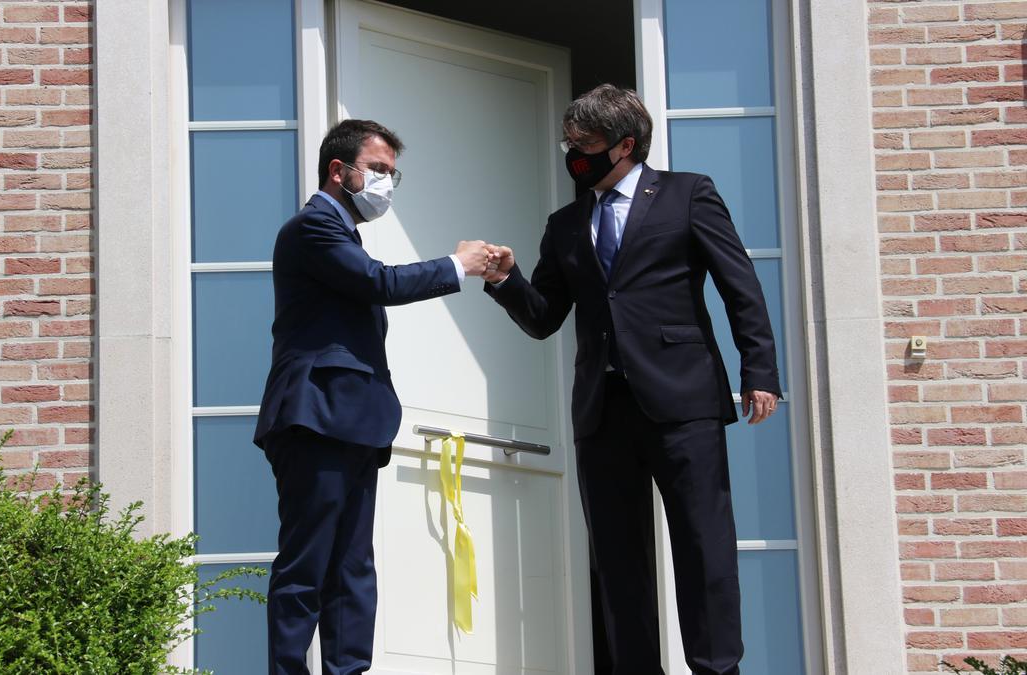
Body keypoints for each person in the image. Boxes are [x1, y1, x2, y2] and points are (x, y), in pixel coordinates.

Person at [480, 84, 781, 675]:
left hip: (684, 402)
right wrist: (505, 281)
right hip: (602, 411)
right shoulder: (564, 223)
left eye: (585, 143)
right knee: (618, 561)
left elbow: (738, 285)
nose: (574, 154)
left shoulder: (688, 194)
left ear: (625, 145)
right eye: (569, 143)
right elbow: (544, 318)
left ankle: (718, 669)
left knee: (704, 548)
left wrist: (758, 370)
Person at [254, 119, 490, 675]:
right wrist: (458, 265)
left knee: (353, 568)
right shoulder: (311, 228)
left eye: (392, 173)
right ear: (340, 171)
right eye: (378, 169)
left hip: (357, 423)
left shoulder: (342, 235)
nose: (386, 182)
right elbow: (379, 283)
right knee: (306, 565)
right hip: (315, 417)